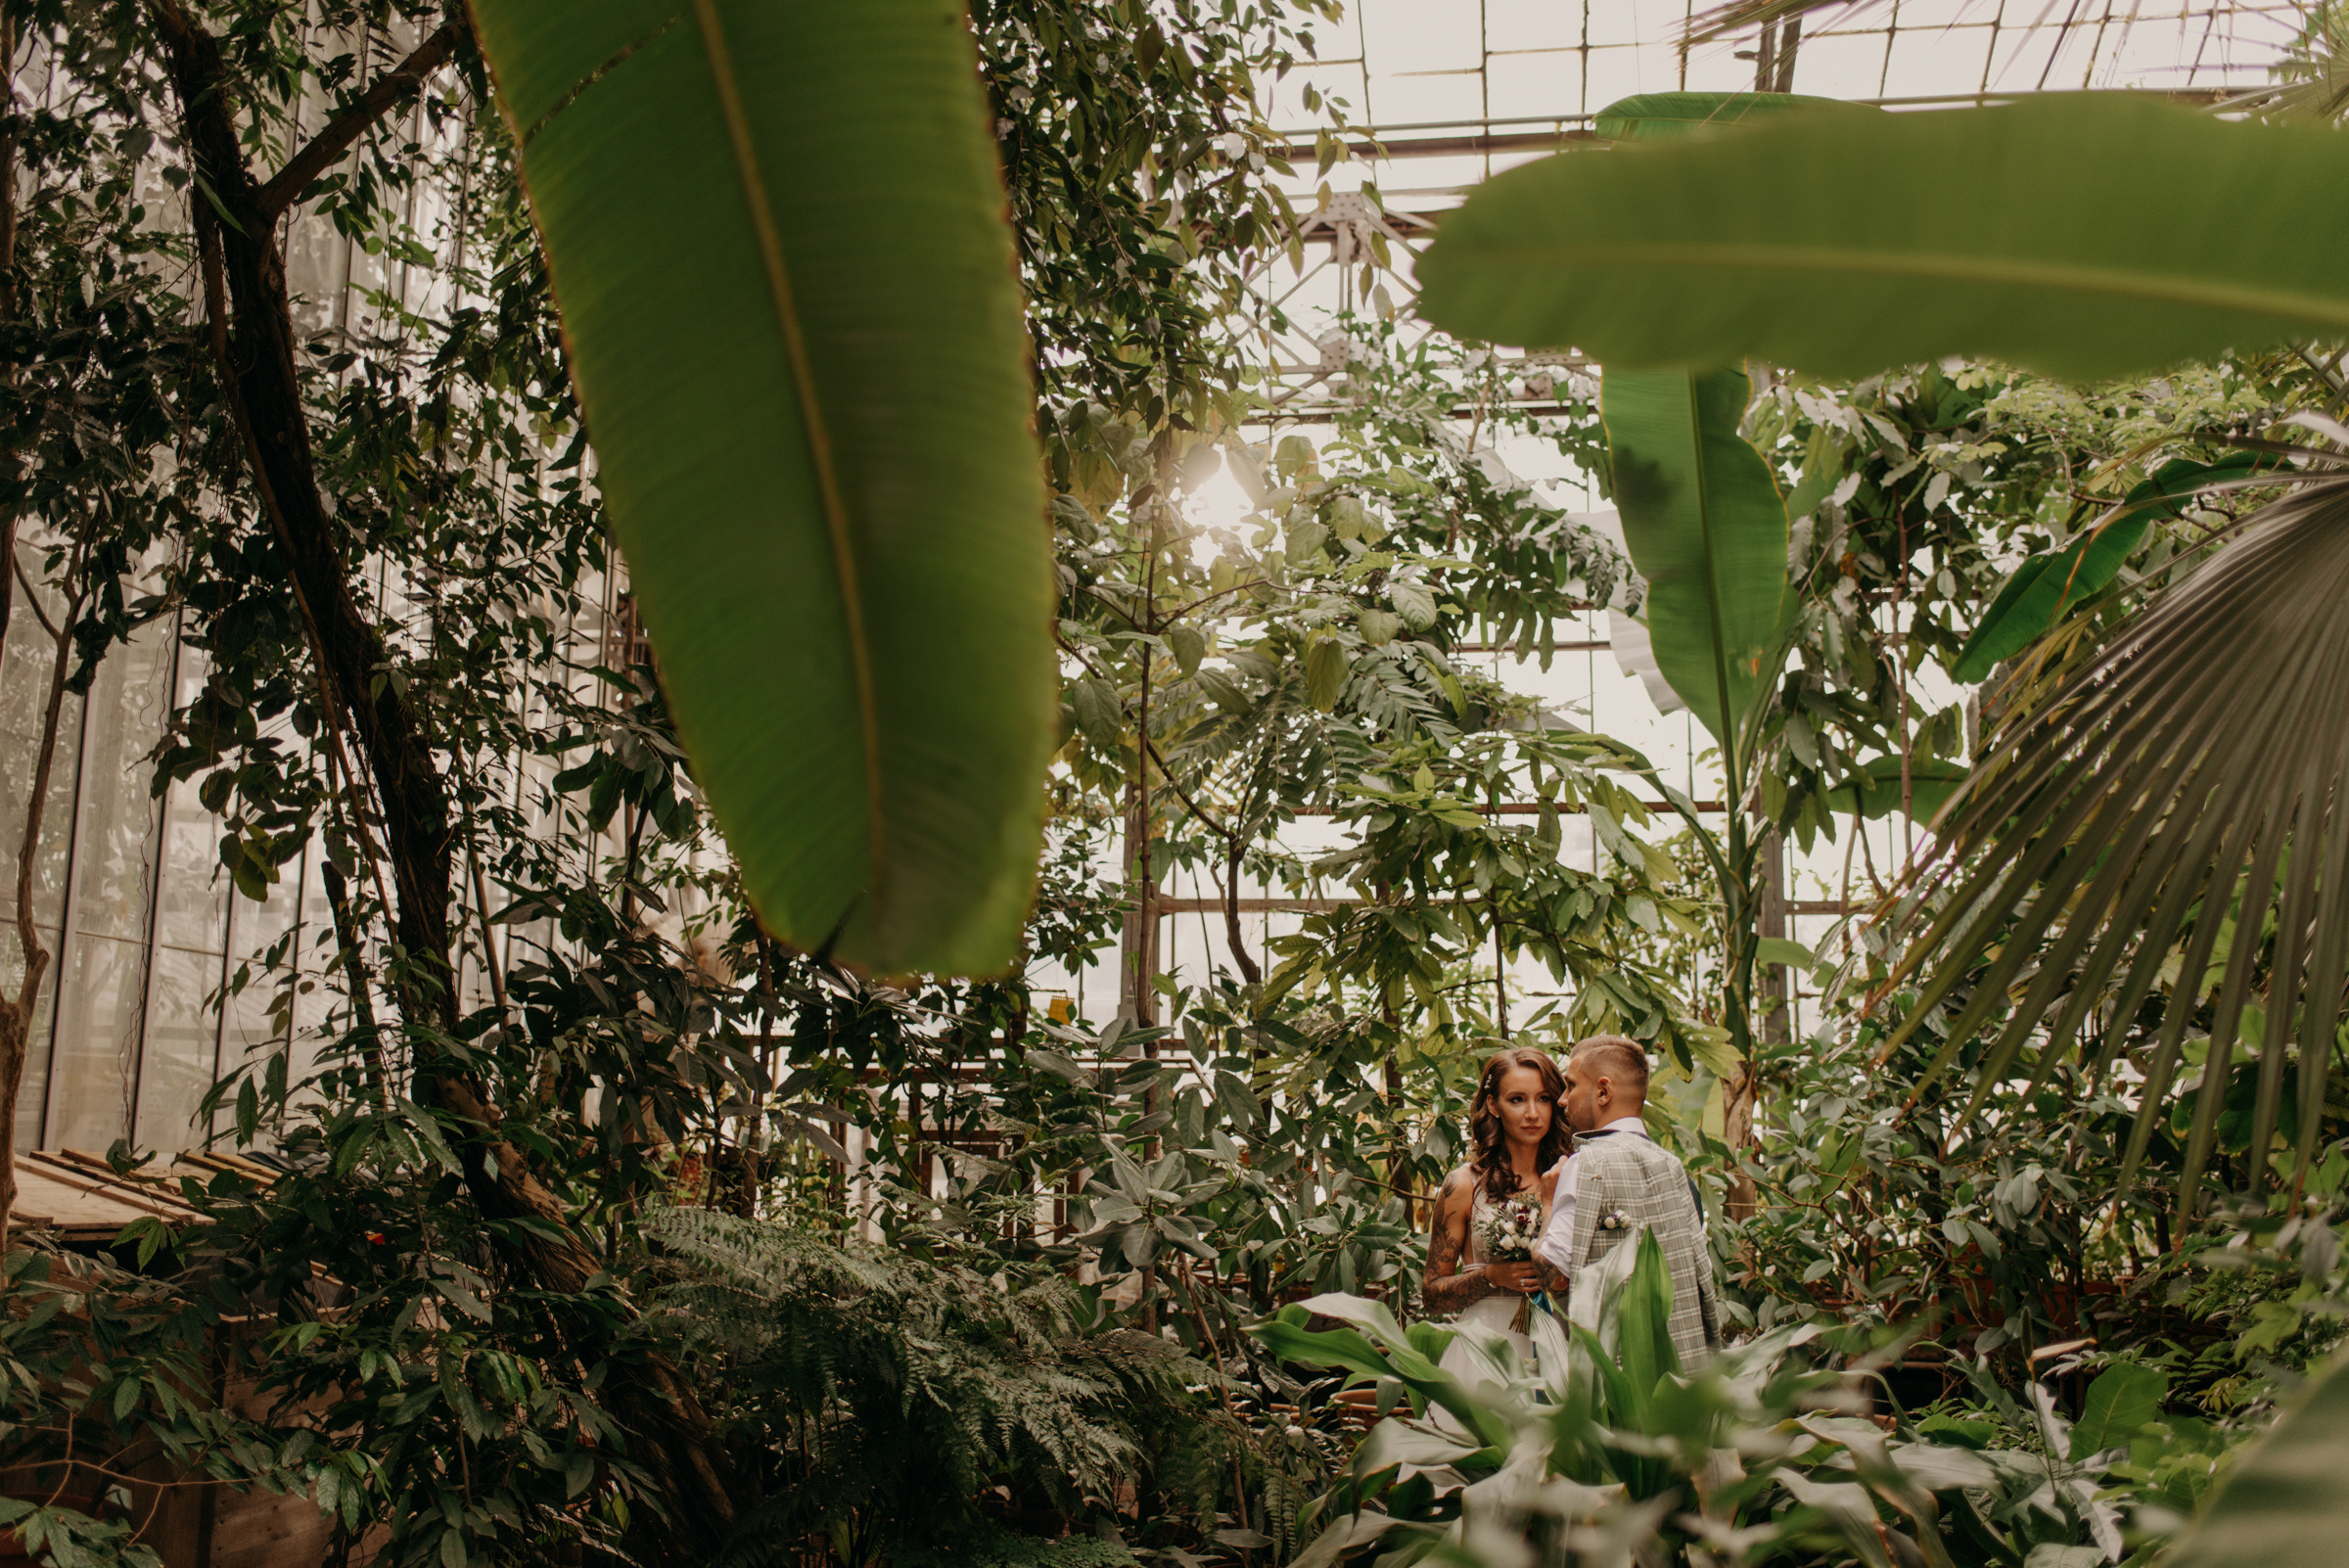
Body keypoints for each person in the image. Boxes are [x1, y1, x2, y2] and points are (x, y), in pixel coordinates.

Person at [1536, 1034, 1719, 1362]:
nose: (1562, 1100)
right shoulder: (1673, 1167)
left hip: (1614, 1384)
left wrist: (1548, 1204)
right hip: (1684, 1377)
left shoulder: (1585, 1165)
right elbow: (1701, 1278)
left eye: (1571, 1085)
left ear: (1603, 1091)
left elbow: (1554, 1272)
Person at [1422, 1045, 1570, 1372]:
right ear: (1493, 1105)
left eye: (1544, 1098)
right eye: (1517, 1099)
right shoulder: (1462, 1185)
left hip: (1560, 1345)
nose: (1533, 1113)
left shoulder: (1571, 1177)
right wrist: (1492, 1276)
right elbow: (1431, 1296)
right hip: (1485, 1352)